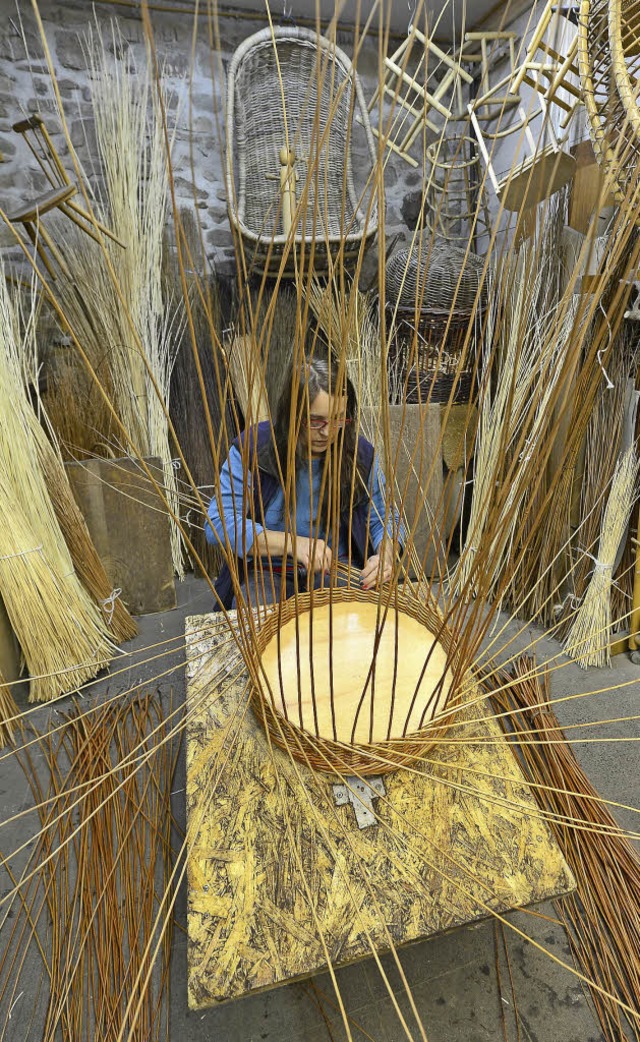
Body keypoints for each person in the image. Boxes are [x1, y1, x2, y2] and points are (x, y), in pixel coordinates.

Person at [206, 343, 403, 609]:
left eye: (338, 419)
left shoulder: (360, 456)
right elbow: (218, 524)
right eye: (316, 421)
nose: (328, 432)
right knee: (260, 631)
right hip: (268, 572)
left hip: (335, 570)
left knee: (362, 629)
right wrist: (291, 544)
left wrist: (385, 558)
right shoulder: (254, 450)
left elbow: (386, 518)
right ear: (292, 414)